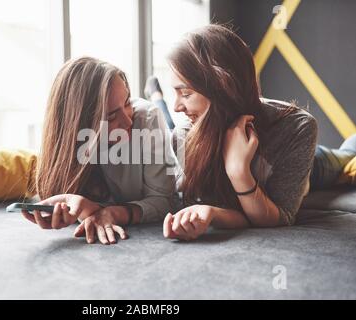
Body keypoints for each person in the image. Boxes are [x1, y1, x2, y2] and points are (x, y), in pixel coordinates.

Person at [141, 24, 356, 241]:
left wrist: (238, 170)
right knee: (169, 128)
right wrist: (212, 213)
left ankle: (157, 98)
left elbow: (279, 217)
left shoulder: (296, 127)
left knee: (349, 155)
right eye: (175, 93)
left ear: (223, 87)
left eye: (185, 93)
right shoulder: (185, 134)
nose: (177, 106)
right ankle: (157, 98)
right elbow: (213, 207)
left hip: (314, 167)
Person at [22, 56, 177, 245]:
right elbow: (75, 203)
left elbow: (165, 201)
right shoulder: (68, 148)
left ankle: (156, 95)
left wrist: (112, 213)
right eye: (111, 116)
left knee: (169, 123)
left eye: (127, 101)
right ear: (78, 125)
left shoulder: (147, 118)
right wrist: (86, 208)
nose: (127, 121)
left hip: (160, 131)